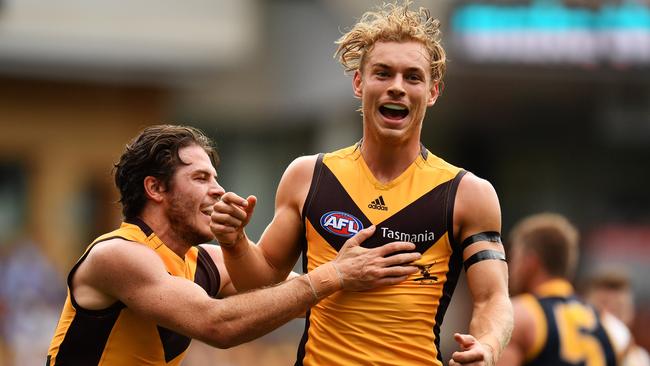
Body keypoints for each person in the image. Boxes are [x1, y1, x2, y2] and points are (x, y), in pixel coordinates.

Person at [210, 2, 512, 365]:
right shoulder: (309, 176)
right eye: (383, 73)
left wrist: (490, 346)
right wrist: (234, 241)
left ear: (432, 92)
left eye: (412, 77)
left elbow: (492, 297)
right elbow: (259, 284)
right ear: (359, 82)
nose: (397, 87)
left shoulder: (468, 193)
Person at [46, 125, 422, 366]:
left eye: (216, 177)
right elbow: (218, 325)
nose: (218, 190)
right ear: (155, 188)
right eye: (200, 177)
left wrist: (412, 295)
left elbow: (300, 298)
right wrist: (335, 272)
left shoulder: (204, 259)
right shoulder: (118, 254)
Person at [499, 213, 631, 366]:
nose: (511, 267)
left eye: (515, 257)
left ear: (530, 261)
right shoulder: (613, 329)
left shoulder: (519, 316)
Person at [584, 270, 650, 366]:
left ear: (631, 314)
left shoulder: (640, 359)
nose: (610, 317)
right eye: (603, 305)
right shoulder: (568, 353)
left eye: (619, 308)